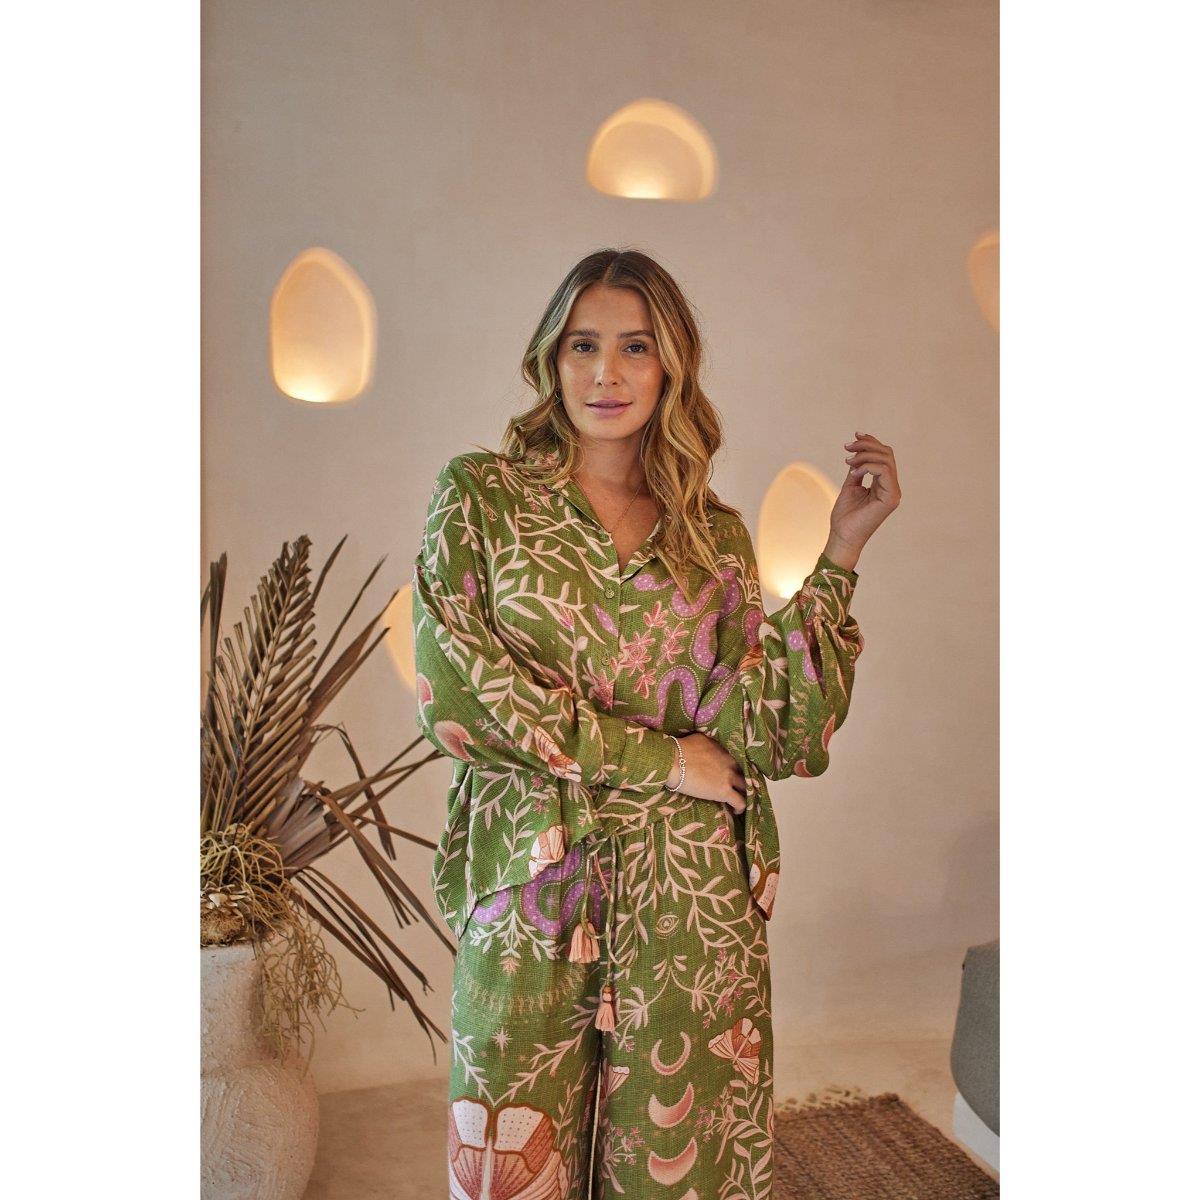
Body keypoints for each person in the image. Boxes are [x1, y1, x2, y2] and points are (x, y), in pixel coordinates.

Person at [412, 247, 901, 1198]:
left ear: (671, 365)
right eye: (583, 344)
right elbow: (460, 695)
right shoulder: (482, 498)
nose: (606, 372)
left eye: (635, 347)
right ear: (551, 358)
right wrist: (663, 760)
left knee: (683, 1174)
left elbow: (770, 732)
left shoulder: (711, 534)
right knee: (509, 1161)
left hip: (689, 900)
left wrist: (840, 550)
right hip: (532, 883)